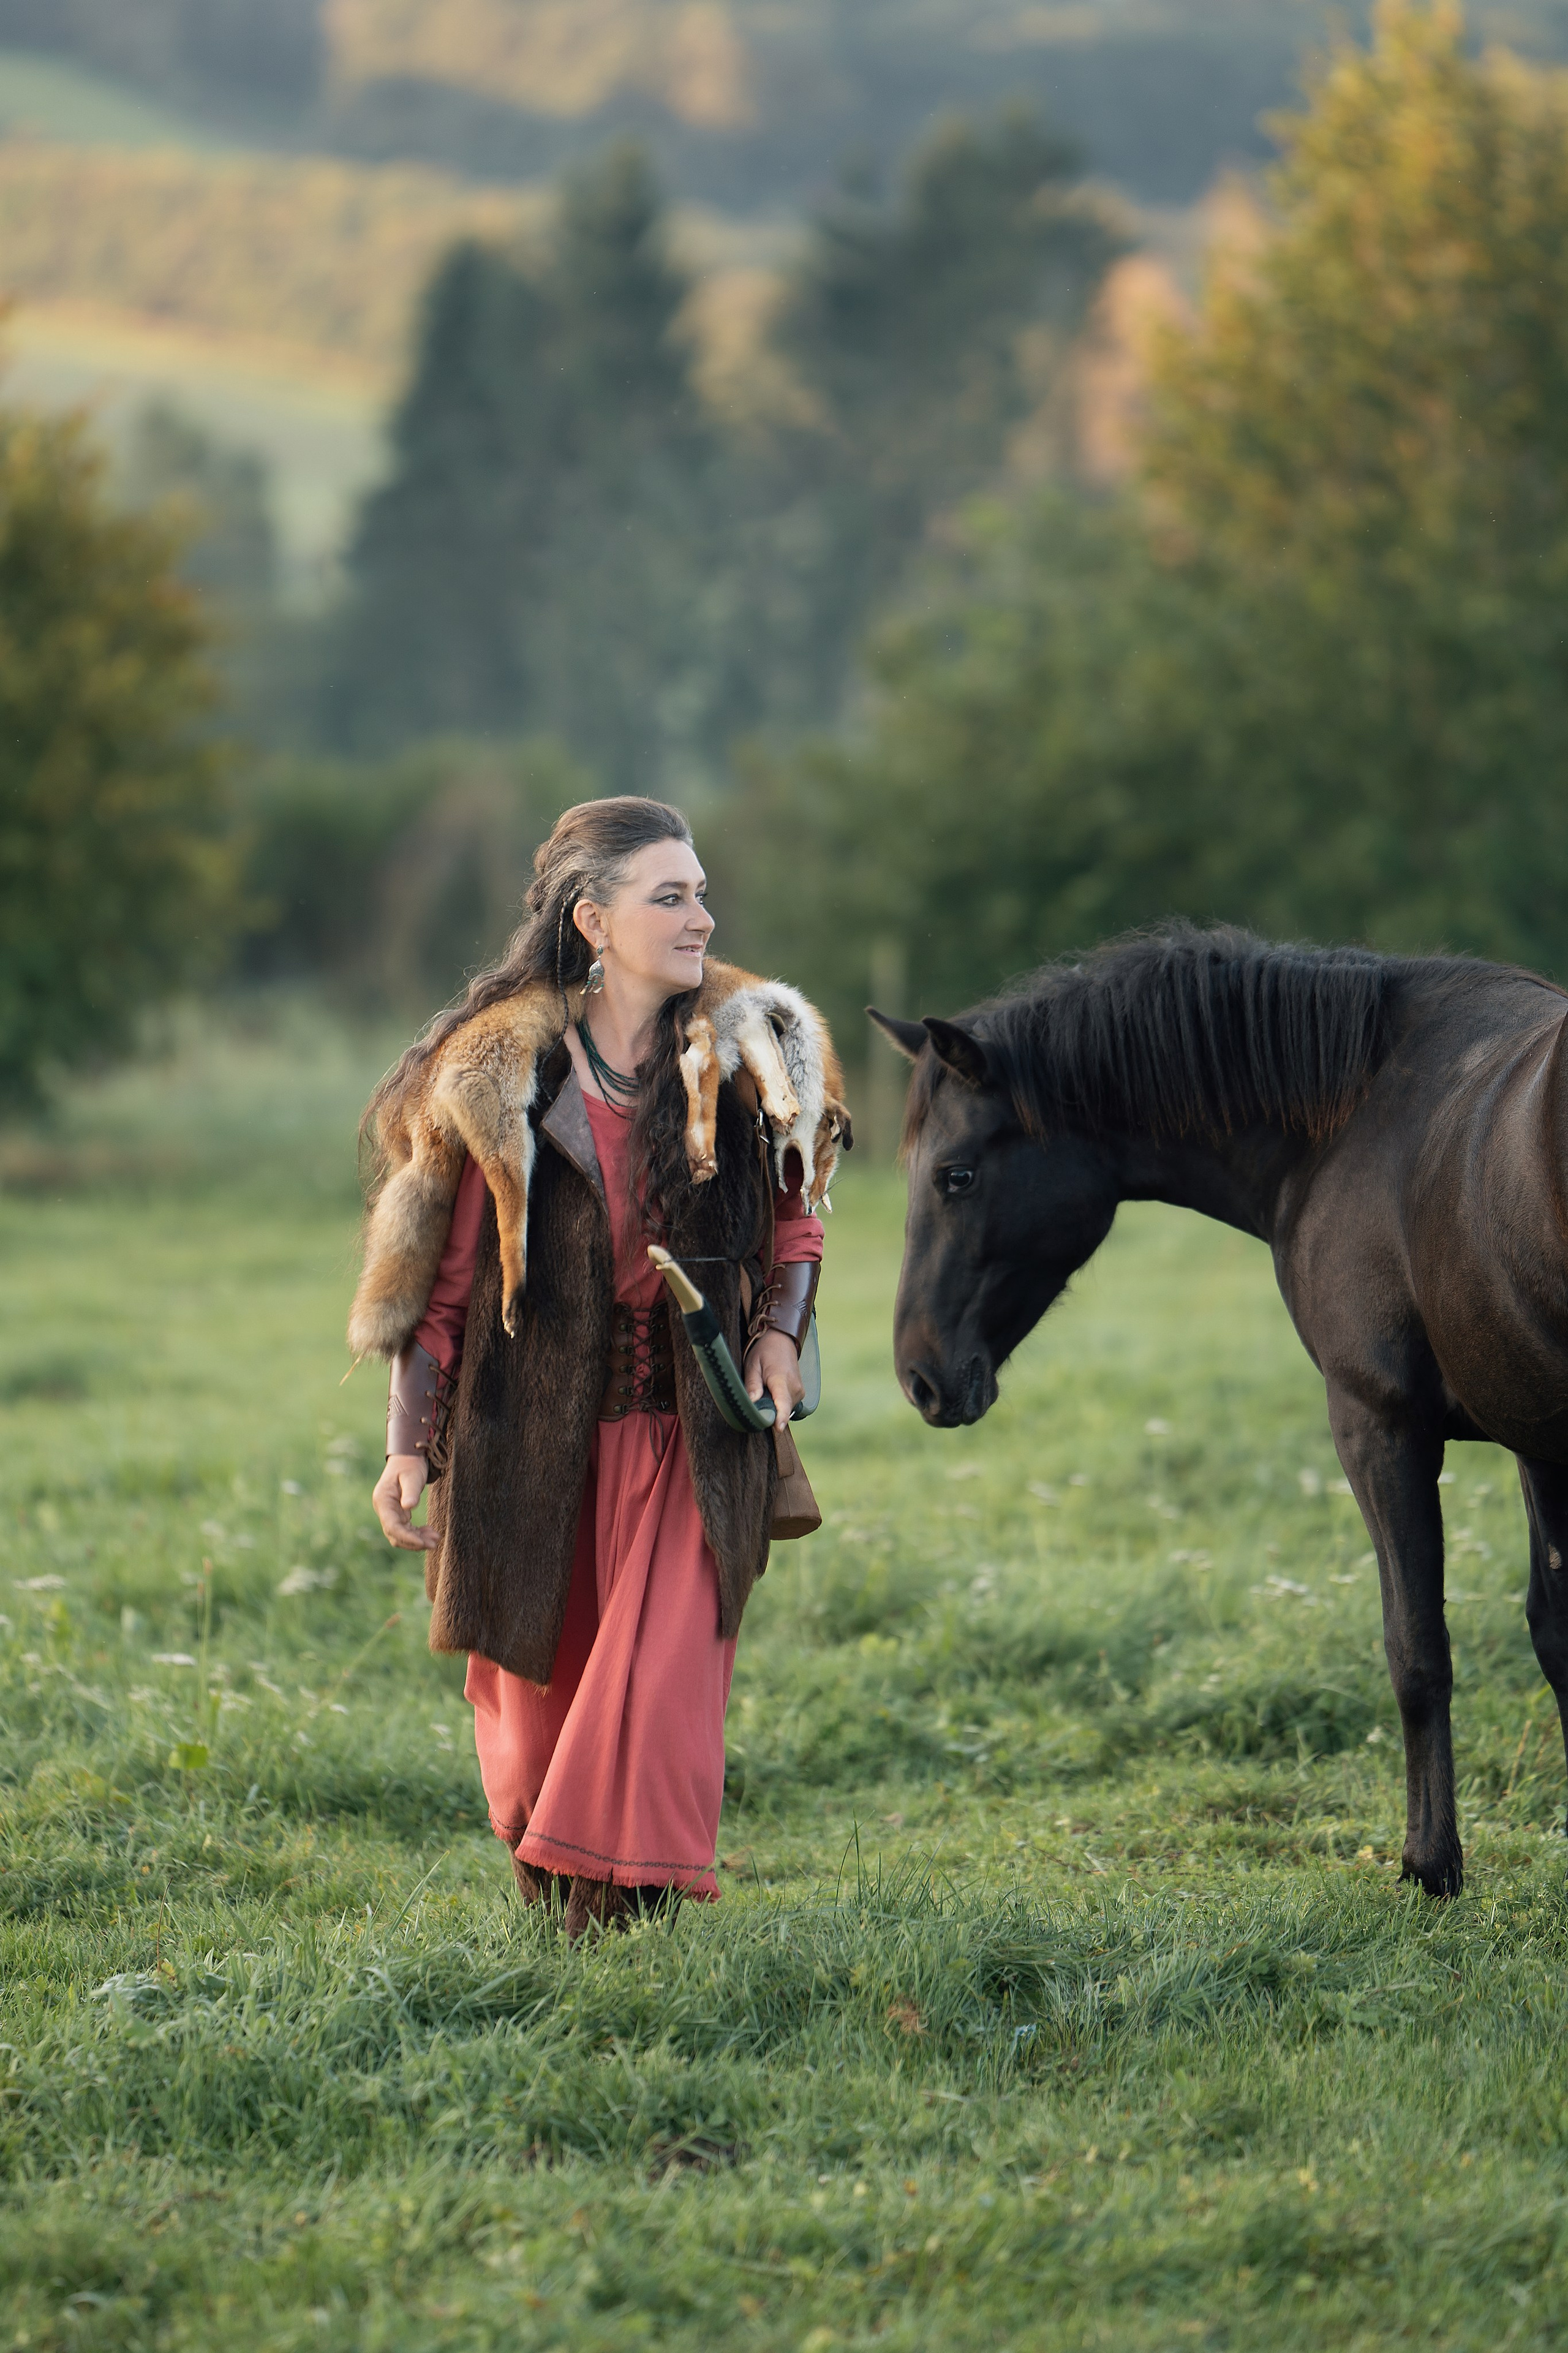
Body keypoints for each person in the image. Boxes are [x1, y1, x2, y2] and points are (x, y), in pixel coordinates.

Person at [349, 798, 847, 1937]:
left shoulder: (745, 1055)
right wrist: (406, 1446)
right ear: (594, 918)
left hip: (692, 1435)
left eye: (703, 893)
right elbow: (446, 1279)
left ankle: (626, 1916)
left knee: (658, 1692)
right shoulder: (507, 1083)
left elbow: (799, 1221)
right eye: (669, 896)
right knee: (536, 1712)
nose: (700, 917)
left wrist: (777, 1332)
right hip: (533, 1436)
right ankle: (567, 1888)